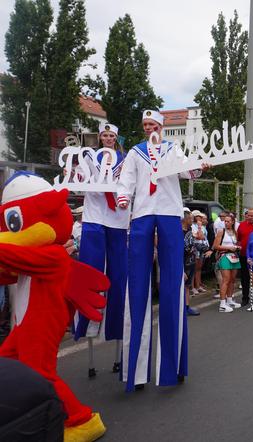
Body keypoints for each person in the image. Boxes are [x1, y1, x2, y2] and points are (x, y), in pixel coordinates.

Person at [117, 109, 206, 392]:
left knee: (172, 285)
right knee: (137, 286)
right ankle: (137, 370)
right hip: (143, 212)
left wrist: (199, 167)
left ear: (162, 126)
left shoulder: (172, 149)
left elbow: (186, 170)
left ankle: (173, 365)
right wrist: (123, 196)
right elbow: (126, 178)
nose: (148, 128)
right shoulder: (135, 152)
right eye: (145, 124)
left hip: (168, 212)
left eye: (153, 124)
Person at [72, 122, 129, 376]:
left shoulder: (125, 159)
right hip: (94, 219)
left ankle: (116, 333)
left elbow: (131, 185)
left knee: (118, 279)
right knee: (90, 276)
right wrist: (76, 175)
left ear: (116, 138)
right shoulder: (88, 156)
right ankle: (85, 327)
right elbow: (78, 183)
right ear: (100, 136)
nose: (107, 138)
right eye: (104, 135)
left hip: (117, 220)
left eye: (111, 135)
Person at [212, 215, 241, 313]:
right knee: (226, 280)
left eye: (228, 221)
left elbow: (237, 243)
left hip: (234, 256)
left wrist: (237, 247)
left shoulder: (235, 233)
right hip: (224, 256)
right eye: (225, 221)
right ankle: (222, 304)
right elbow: (216, 246)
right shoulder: (221, 232)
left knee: (232, 280)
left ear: (233, 222)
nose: (226, 223)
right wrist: (228, 248)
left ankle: (229, 300)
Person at [236, 208, 253, 306]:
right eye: (248, 215)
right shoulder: (242, 225)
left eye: (252, 216)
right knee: (244, 277)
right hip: (244, 255)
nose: (249, 217)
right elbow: (239, 239)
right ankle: (245, 298)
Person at [182, 209, 200, 316]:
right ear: (185, 219)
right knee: (180, 285)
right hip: (183, 262)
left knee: (187, 286)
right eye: (190, 218)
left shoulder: (189, 230)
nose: (192, 220)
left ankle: (187, 307)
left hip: (191, 261)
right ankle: (178, 308)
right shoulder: (178, 232)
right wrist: (181, 269)